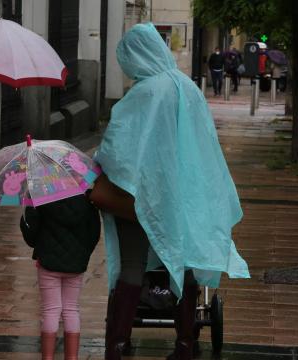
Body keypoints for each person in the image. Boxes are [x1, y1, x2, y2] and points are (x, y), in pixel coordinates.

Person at [89, 23, 250, 360]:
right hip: (182, 199)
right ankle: (185, 344)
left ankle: (117, 345)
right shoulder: (188, 88)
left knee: (132, 266)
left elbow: (118, 148)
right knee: (182, 262)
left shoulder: (145, 93)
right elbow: (203, 144)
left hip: (138, 199)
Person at [20, 195, 100, 360]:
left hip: (48, 263)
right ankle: (72, 357)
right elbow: (94, 233)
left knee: (51, 310)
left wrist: (28, 210)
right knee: (71, 309)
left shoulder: (41, 198)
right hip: (76, 264)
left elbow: (31, 235)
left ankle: (47, 357)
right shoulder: (87, 201)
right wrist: (82, 254)